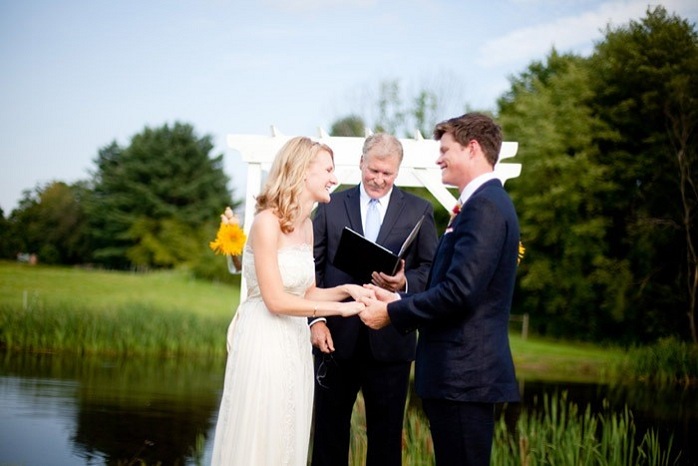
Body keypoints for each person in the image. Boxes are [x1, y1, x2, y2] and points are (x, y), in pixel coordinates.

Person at [359, 113, 521, 466]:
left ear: (472, 148)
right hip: (456, 377)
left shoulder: (486, 207)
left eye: (446, 149)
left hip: (465, 376)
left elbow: (460, 293)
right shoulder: (478, 205)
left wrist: (391, 312)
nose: (439, 158)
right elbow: (451, 286)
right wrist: (399, 296)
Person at [210, 136, 371, 466]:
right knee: (261, 427)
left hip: (294, 342)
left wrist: (349, 290)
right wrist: (341, 309)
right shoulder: (266, 223)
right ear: (302, 172)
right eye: (327, 169)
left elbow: (307, 293)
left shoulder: (307, 226)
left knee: (288, 428)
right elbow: (276, 300)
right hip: (264, 338)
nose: (334, 178)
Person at [310, 133, 438, 466]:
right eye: (374, 171)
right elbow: (313, 267)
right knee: (327, 435)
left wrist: (404, 281)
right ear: (361, 164)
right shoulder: (330, 205)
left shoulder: (420, 211)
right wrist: (317, 319)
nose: (380, 179)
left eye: (388, 174)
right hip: (334, 340)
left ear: (398, 171)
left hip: (391, 343)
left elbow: (432, 271)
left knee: (385, 441)